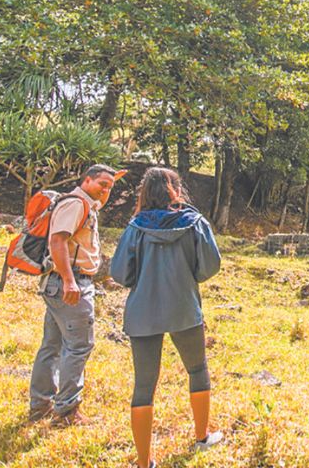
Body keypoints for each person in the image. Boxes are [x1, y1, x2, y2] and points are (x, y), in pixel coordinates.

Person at [111, 166, 223, 467]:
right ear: (176, 189)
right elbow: (210, 267)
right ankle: (202, 438)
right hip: (184, 308)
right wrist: (190, 275)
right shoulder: (195, 222)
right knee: (197, 370)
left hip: (143, 313)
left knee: (144, 386)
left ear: (145, 192)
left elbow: (120, 273)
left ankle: (144, 461)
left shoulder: (135, 227)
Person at [29, 163, 126, 426]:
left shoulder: (86, 204)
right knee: (79, 346)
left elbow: (96, 202)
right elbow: (57, 241)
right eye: (101, 184)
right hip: (69, 283)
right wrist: (70, 282)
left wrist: (109, 181)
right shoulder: (75, 204)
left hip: (60, 282)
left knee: (52, 346)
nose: (106, 190)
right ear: (86, 181)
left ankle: (40, 405)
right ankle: (66, 411)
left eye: (110, 186)